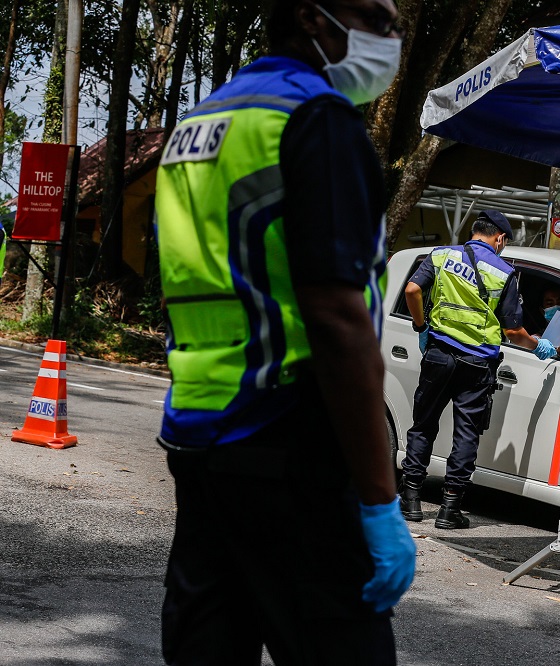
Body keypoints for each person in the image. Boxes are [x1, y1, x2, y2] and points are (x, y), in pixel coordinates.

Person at [153, 2, 414, 664]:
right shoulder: (316, 119)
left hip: (199, 429)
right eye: (376, 17)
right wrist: (381, 502)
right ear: (311, 15)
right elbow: (336, 317)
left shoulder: (202, 120)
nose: (390, 38)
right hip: (289, 437)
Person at [400, 210, 559, 529]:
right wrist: (539, 345)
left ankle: (411, 500)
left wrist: (421, 327)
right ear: (499, 238)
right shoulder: (504, 272)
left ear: (475, 231)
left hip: (439, 354)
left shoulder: (442, 254)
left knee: (423, 425)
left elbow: (412, 291)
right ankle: (449, 510)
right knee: (466, 434)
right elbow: (513, 332)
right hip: (476, 364)